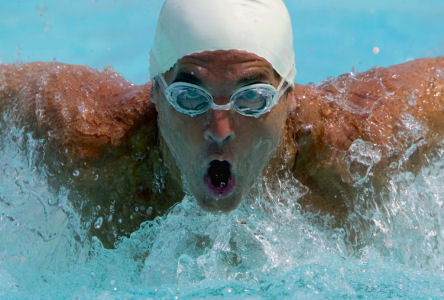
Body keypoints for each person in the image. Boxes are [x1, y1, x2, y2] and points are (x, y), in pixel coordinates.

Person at [0, 0, 443, 248]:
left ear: (289, 97)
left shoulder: (357, 145)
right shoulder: (90, 140)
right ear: (155, 93)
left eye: (252, 98)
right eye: (190, 97)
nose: (220, 127)